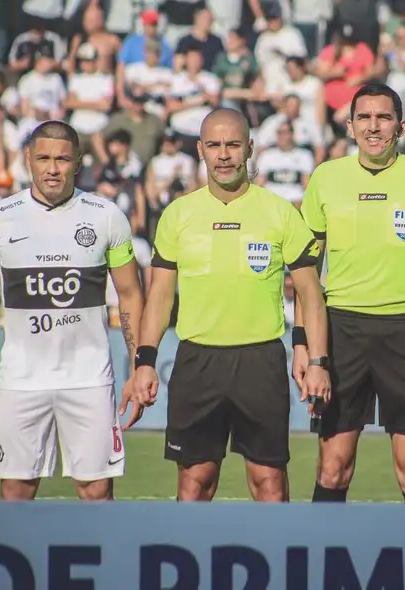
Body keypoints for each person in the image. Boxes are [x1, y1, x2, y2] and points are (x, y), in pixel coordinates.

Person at [132, 108, 329, 502]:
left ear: (250, 148)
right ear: (200, 150)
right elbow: (160, 296)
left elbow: (310, 293)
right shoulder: (178, 215)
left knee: (269, 483)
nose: (223, 155)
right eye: (214, 145)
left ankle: (276, 546)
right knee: (195, 483)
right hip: (197, 362)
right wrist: (145, 361)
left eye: (233, 145)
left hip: (260, 362)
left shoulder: (280, 212)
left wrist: (317, 361)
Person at [0, 121, 145, 502]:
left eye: (62, 159)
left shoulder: (105, 215)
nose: (52, 169)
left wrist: (137, 366)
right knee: (15, 492)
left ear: (77, 162)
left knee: (96, 492)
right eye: (43, 158)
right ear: (28, 159)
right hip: (21, 379)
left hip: (89, 377)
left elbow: (130, 294)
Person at [296, 83, 405, 505]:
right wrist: (303, 346)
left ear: (401, 127)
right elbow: (306, 275)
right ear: (350, 127)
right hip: (341, 332)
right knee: (333, 467)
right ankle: (323, 549)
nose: (373, 127)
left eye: (384, 117)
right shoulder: (326, 177)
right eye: (364, 118)